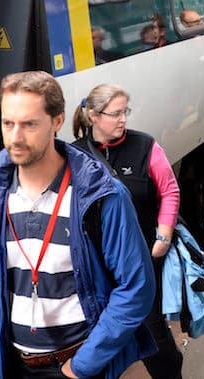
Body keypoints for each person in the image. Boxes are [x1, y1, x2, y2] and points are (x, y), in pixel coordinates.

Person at [0, 71, 155, 379]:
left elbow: (136, 287)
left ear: (57, 121)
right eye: (8, 124)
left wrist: (82, 366)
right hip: (14, 366)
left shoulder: (101, 196)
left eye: (29, 124)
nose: (15, 137)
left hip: (78, 366)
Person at [72, 85, 184, 379]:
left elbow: (169, 191)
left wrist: (163, 237)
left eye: (125, 112)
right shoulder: (75, 155)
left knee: (151, 326)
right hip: (96, 262)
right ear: (93, 116)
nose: (123, 119)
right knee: (100, 328)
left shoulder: (145, 145)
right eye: (115, 114)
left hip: (141, 256)